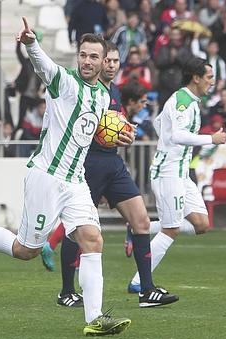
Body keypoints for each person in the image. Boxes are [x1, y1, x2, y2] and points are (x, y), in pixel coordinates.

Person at [0, 18, 130, 336]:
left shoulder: (102, 98)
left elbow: (88, 130)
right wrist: (30, 43)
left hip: (75, 181)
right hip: (46, 177)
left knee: (93, 240)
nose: (87, 60)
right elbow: (44, 66)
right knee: (25, 250)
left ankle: (94, 318)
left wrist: (119, 134)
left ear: (104, 61)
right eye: (83, 54)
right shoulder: (65, 82)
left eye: (94, 56)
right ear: (78, 56)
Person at [40, 42, 179, 309]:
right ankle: (67, 291)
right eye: (109, 60)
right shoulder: (85, 90)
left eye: (116, 61)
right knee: (76, 229)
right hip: (88, 163)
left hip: (113, 163)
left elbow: (112, 127)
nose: (112, 65)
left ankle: (147, 290)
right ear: (101, 62)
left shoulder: (113, 91)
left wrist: (125, 134)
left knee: (141, 221)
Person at [125, 57, 226, 292]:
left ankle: (138, 228)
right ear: (196, 78)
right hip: (167, 173)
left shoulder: (188, 101)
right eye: (209, 77)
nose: (212, 82)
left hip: (181, 174)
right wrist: (210, 138)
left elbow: (161, 123)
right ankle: (139, 282)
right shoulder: (182, 100)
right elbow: (178, 135)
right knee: (171, 229)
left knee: (201, 224)